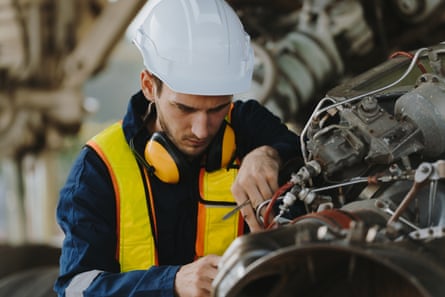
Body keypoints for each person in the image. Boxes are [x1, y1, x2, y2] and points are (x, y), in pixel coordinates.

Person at [54, 0, 301, 296]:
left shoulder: (248, 124)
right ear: (148, 86)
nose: (202, 129)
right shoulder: (98, 168)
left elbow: (303, 150)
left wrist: (269, 153)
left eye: (217, 109)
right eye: (185, 108)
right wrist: (171, 283)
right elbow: (75, 289)